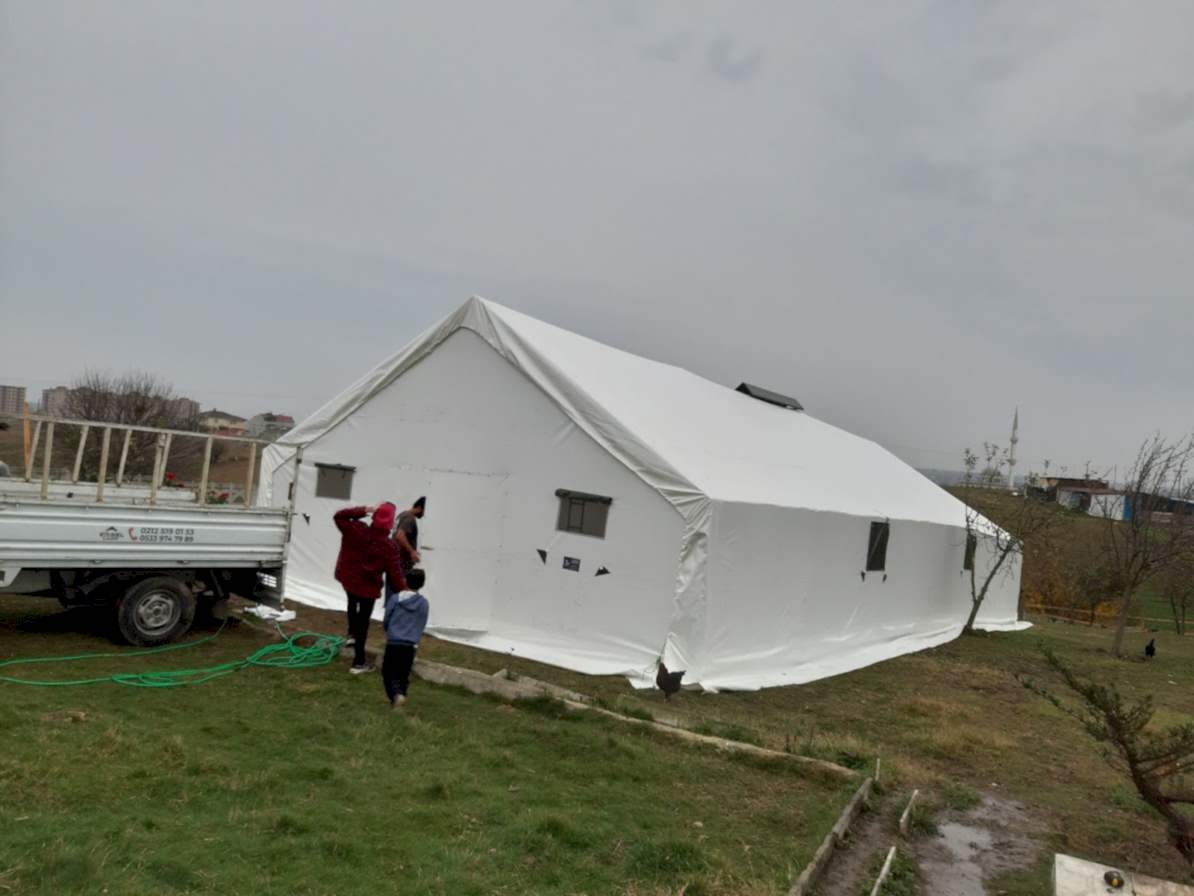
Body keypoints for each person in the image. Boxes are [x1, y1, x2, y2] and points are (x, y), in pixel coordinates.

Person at [333, 503, 407, 673]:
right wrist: (406, 593)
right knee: (363, 621)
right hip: (367, 588)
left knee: (352, 603)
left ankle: (352, 635)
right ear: (390, 523)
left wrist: (363, 510)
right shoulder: (389, 547)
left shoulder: (356, 529)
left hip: (349, 579)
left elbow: (339, 516)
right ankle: (358, 662)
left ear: (374, 516)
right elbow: (395, 577)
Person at [382, 568, 429, 708]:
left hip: (394, 642)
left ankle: (395, 695)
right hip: (410, 644)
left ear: (405, 581)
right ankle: (401, 696)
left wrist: (389, 630)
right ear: (422, 584)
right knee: (403, 674)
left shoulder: (395, 599)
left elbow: (387, 618)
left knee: (388, 671)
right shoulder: (424, 603)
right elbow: (422, 623)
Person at [393, 497, 426, 573]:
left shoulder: (402, 514)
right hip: (402, 563)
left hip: (395, 560)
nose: (423, 515)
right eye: (423, 512)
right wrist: (412, 551)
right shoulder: (409, 518)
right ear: (419, 508)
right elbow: (400, 535)